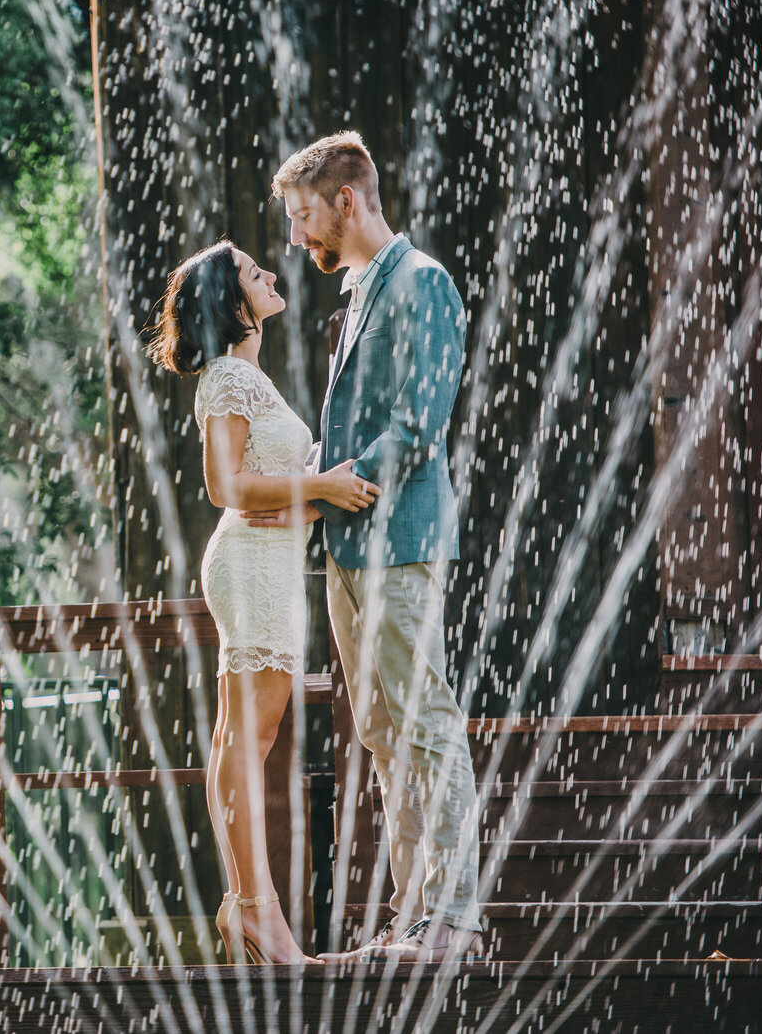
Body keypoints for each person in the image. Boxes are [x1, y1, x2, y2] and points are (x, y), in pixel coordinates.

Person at [257, 131, 482, 962]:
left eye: (303, 214)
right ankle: (416, 916)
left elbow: (420, 424)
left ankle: (455, 919)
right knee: (385, 731)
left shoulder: (422, 282)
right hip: (347, 550)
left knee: (424, 721)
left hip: (402, 538)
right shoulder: (356, 292)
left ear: (346, 201)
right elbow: (346, 427)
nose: (296, 236)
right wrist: (309, 488)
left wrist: (337, 479)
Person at [143, 240, 381, 965]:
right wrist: (319, 487)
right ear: (233, 303)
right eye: (253, 273)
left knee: (240, 742)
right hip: (250, 566)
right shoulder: (226, 381)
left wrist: (315, 493)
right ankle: (257, 914)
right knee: (250, 744)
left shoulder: (249, 378)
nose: (272, 275)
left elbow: (267, 489)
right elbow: (226, 489)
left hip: (267, 561)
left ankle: (247, 909)